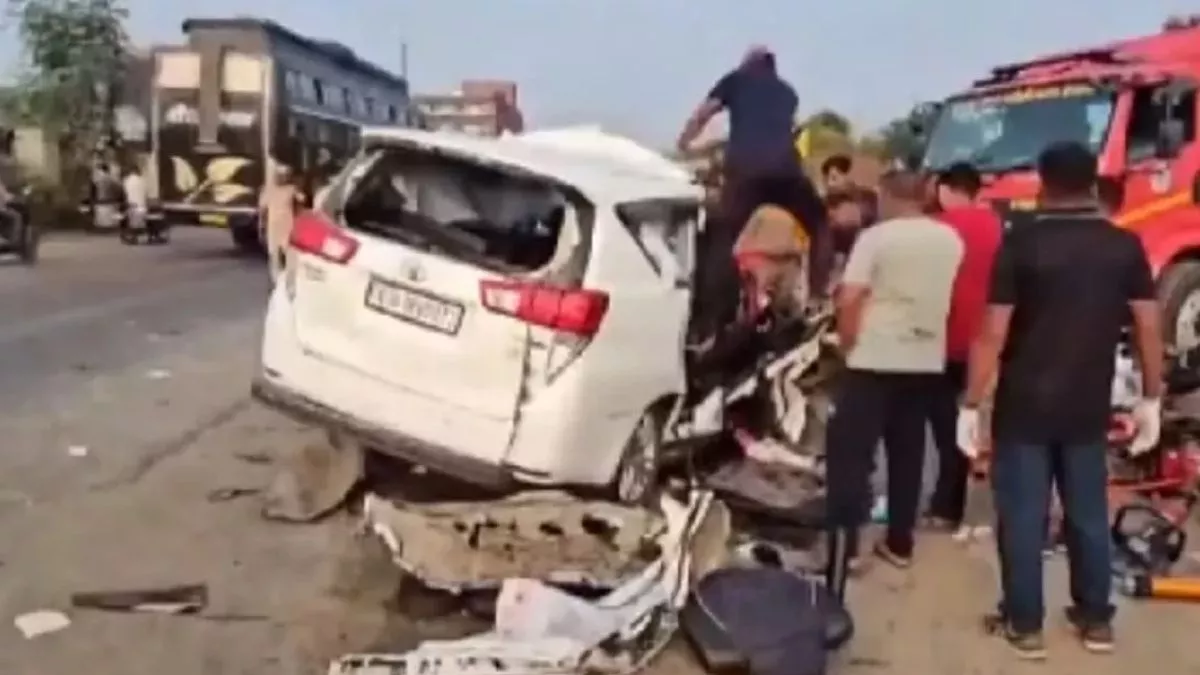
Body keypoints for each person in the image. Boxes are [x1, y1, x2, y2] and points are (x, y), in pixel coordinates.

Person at [957, 141, 1164, 659]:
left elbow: (993, 333)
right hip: (1087, 405)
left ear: (1042, 182)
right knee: (1088, 514)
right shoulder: (1124, 246)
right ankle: (1095, 621)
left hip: (1024, 405)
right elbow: (1148, 325)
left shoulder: (1021, 244)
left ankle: (1025, 624)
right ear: (1092, 182)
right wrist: (1151, 399)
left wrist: (970, 403)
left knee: (1023, 518)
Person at [823, 169, 964, 599]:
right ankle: (899, 542)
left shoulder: (876, 238)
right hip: (923, 359)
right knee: (908, 454)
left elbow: (850, 298)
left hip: (873, 357)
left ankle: (847, 549)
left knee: (850, 455)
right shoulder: (949, 240)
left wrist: (847, 344)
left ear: (888, 196)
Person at [676, 46, 828, 342]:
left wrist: (684, 142)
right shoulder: (788, 92)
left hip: (745, 171)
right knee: (819, 225)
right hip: (786, 171)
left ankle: (712, 320)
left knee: (725, 236)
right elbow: (785, 129)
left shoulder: (735, 79)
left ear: (748, 64)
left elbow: (704, 113)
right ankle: (818, 298)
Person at [923, 162, 1003, 533]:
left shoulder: (936, 228)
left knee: (946, 428)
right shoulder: (996, 225)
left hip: (943, 338)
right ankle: (991, 508)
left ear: (945, 190)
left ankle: (947, 507)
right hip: (986, 340)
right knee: (979, 421)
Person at [260, 163, 301, 282]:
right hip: (273, 226)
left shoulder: (291, 189)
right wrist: (262, 225)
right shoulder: (268, 190)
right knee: (274, 255)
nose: (282, 178)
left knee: (290, 254)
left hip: (287, 225)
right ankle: (276, 280)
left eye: (285, 176)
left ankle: (290, 278)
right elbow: (262, 209)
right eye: (280, 175)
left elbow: (301, 199)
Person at [122, 164, 148, 239]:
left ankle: (132, 234)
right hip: (142, 206)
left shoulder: (127, 180)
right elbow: (146, 193)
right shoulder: (143, 180)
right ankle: (140, 232)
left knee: (130, 219)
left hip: (132, 206)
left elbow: (125, 193)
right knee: (140, 220)